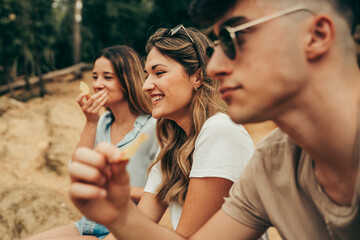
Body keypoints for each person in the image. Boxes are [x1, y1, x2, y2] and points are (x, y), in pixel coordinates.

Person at [68, 0, 360, 239]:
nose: (216, 66)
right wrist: (118, 214)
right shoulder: (269, 167)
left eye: (235, 38)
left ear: (317, 35)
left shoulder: (221, 130)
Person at [68, 24, 265, 239]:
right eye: (146, 75)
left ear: (197, 77)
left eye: (159, 73)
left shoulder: (220, 130)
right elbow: (136, 226)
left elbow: (185, 237)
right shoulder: (173, 146)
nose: (146, 86)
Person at [25, 45, 158, 239]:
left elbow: (161, 194)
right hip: (87, 223)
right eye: (95, 77)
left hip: (124, 228)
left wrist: (114, 188)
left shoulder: (153, 127)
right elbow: (77, 171)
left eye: (107, 77)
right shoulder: (102, 121)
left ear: (127, 80)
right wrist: (90, 121)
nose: (97, 84)